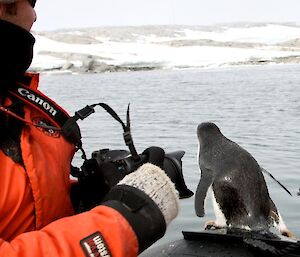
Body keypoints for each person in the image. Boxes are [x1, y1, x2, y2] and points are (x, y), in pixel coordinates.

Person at [0, 0, 180, 256]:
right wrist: (126, 220)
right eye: (30, 1)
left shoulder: (12, 104)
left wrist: (86, 198)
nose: (35, 14)